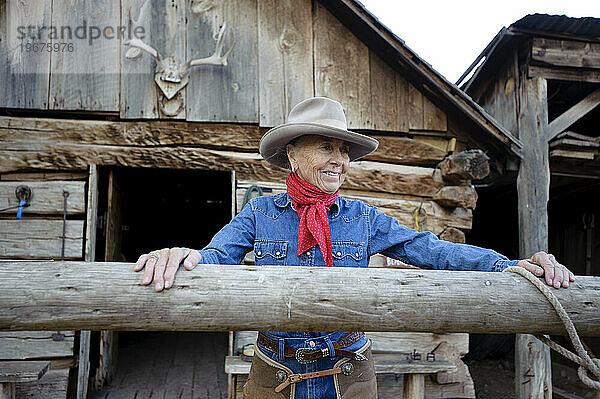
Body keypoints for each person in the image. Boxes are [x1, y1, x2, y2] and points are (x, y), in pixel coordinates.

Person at [134, 97, 574, 399]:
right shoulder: (259, 213)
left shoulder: (363, 218)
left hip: (348, 374)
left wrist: (510, 266)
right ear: (292, 155)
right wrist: (181, 255)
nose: (341, 161)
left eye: (344, 151)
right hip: (274, 374)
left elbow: (433, 251)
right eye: (327, 147)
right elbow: (215, 258)